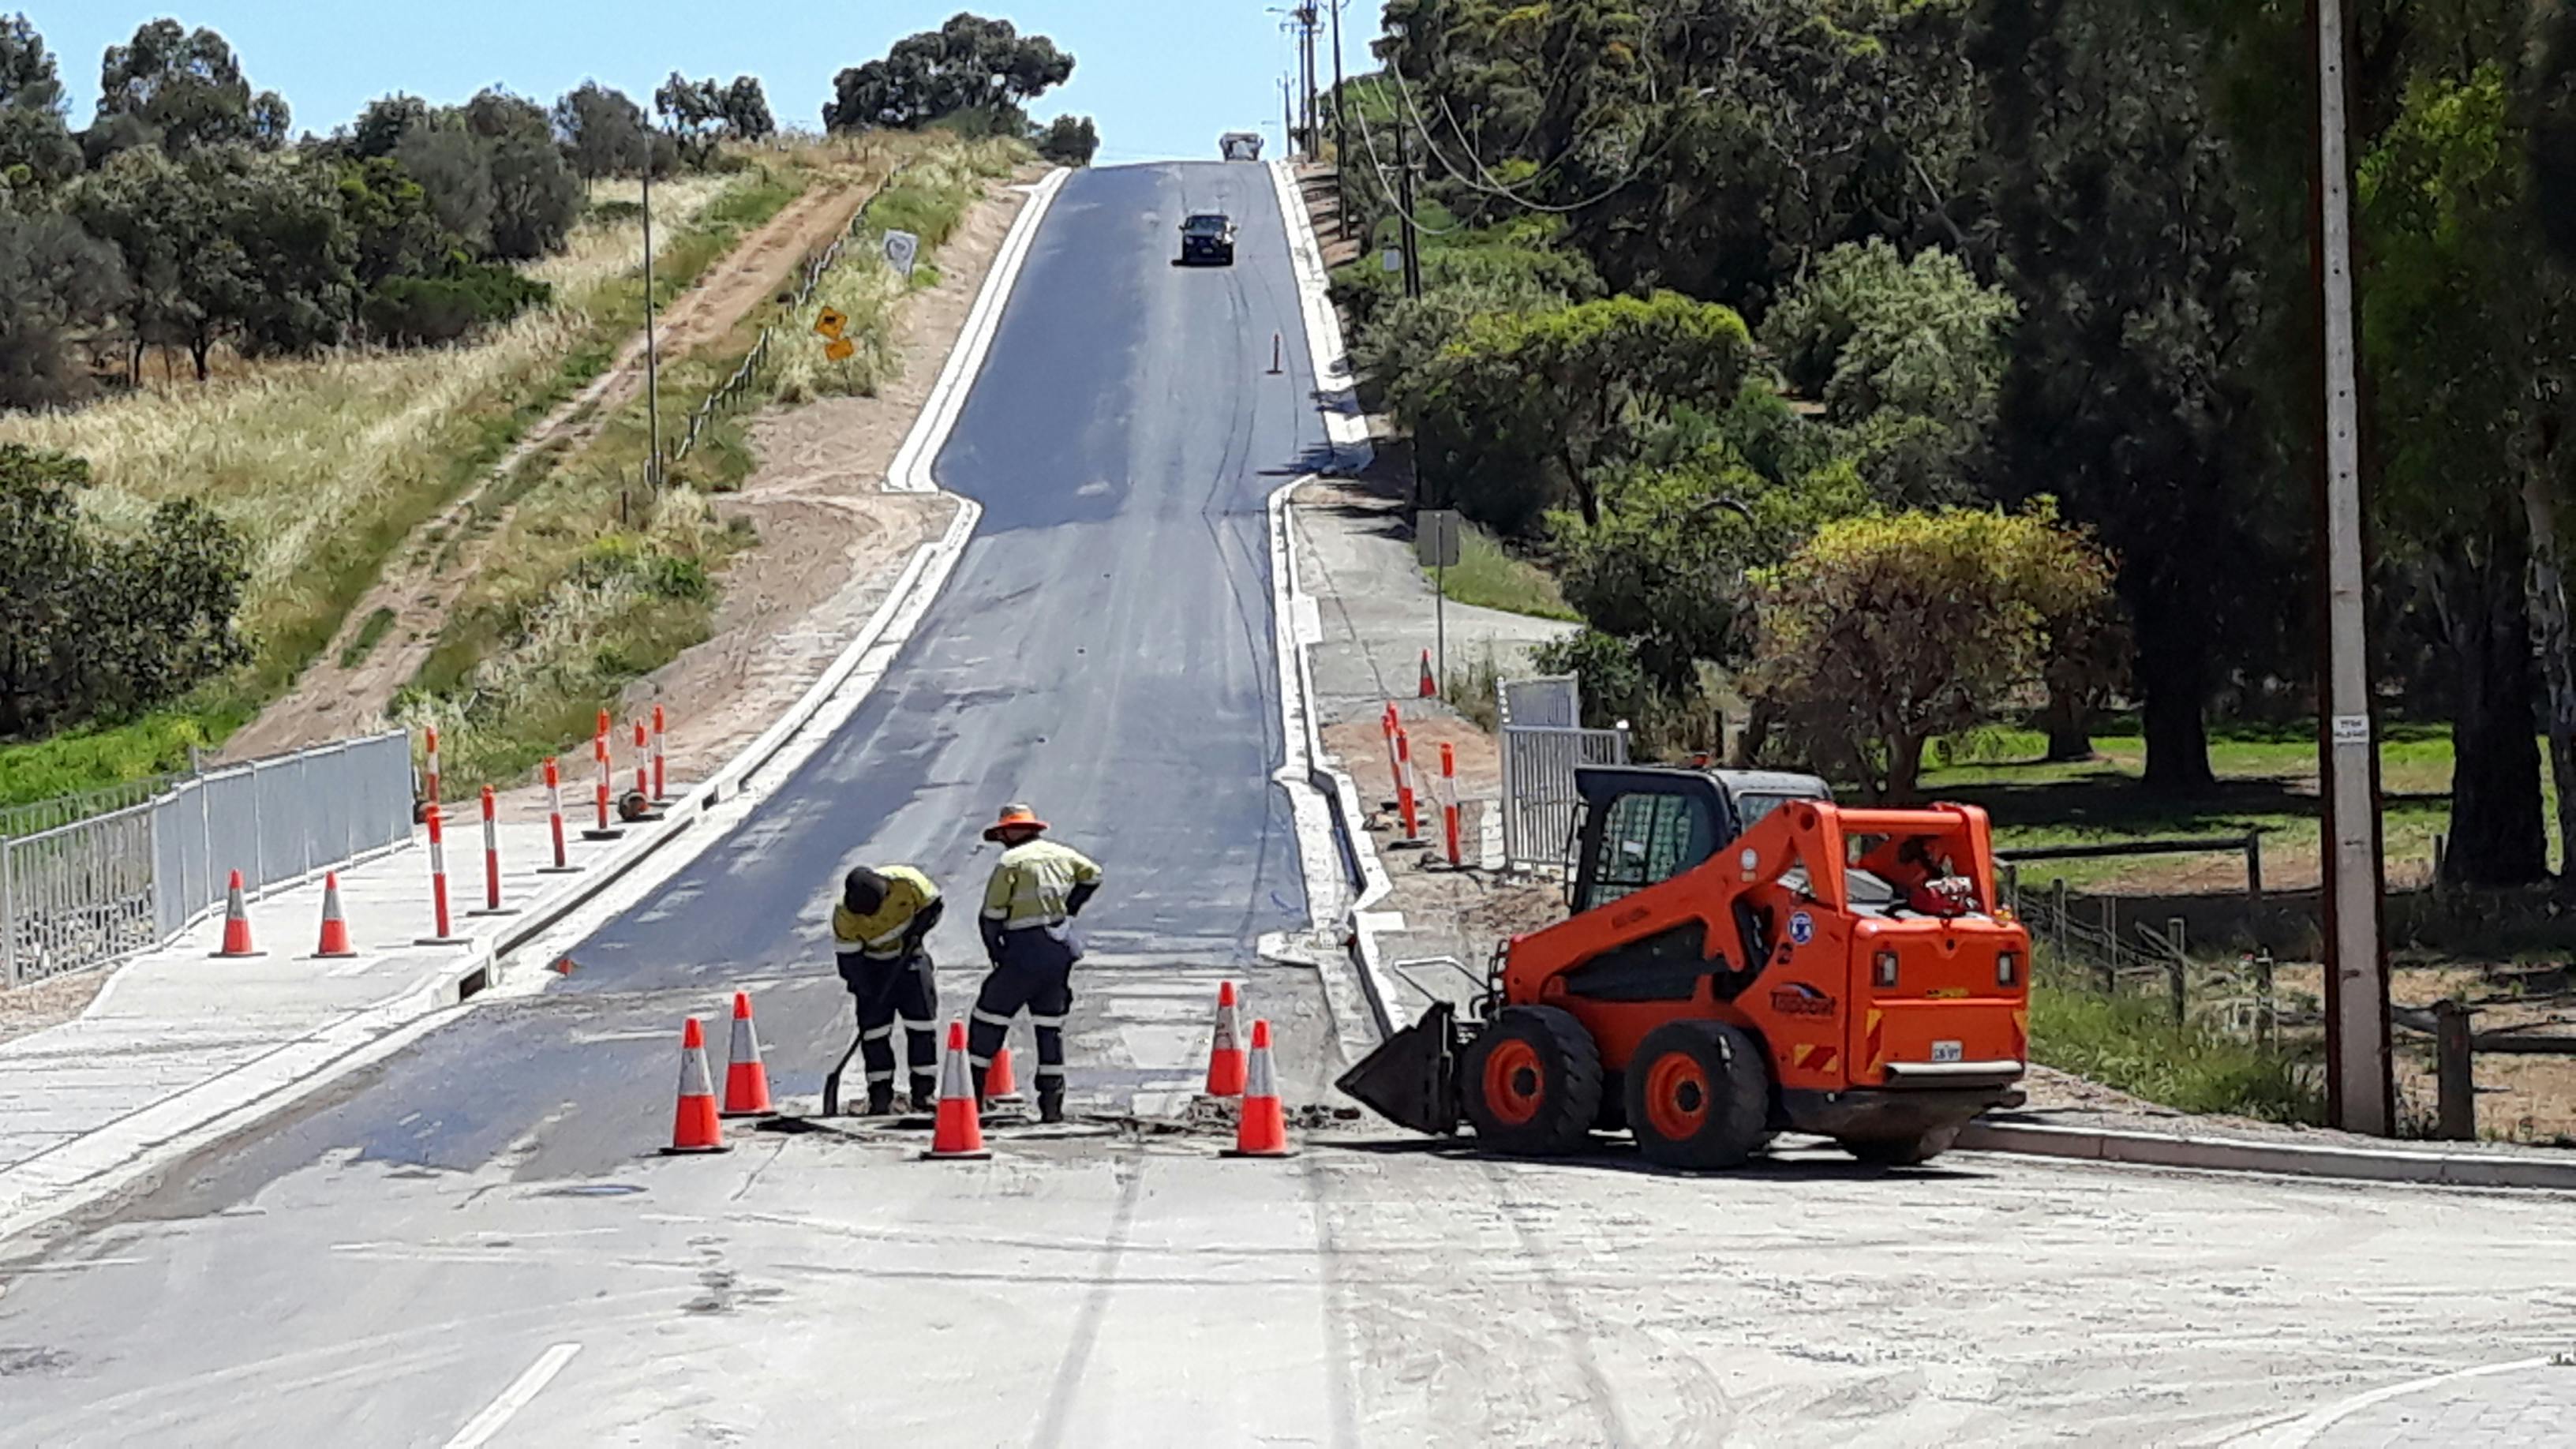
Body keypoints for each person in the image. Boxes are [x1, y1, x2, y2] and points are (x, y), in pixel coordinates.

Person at [968, 803, 1102, 1123]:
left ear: (1012, 832)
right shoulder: (1061, 854)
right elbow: (1093, 875)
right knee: (1049, 1026)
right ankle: (1052, 1105)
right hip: (1058, 952)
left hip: (1024, 952)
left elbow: (992, 916)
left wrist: (997, 955)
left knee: (988, 1018)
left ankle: (970, 1100)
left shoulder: (1010, 863)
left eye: (1004, 833)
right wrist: (1070, 909)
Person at [833, 864, 944, 1114]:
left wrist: (918, 932)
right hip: (871, 967)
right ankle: (880, 1096)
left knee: (922, 1027)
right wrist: (865, 989)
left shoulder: (908, 882)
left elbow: (935, 906)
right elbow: (849, 961)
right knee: (874, 1033)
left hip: (911, 959)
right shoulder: (845, 916)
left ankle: (924, 1095)